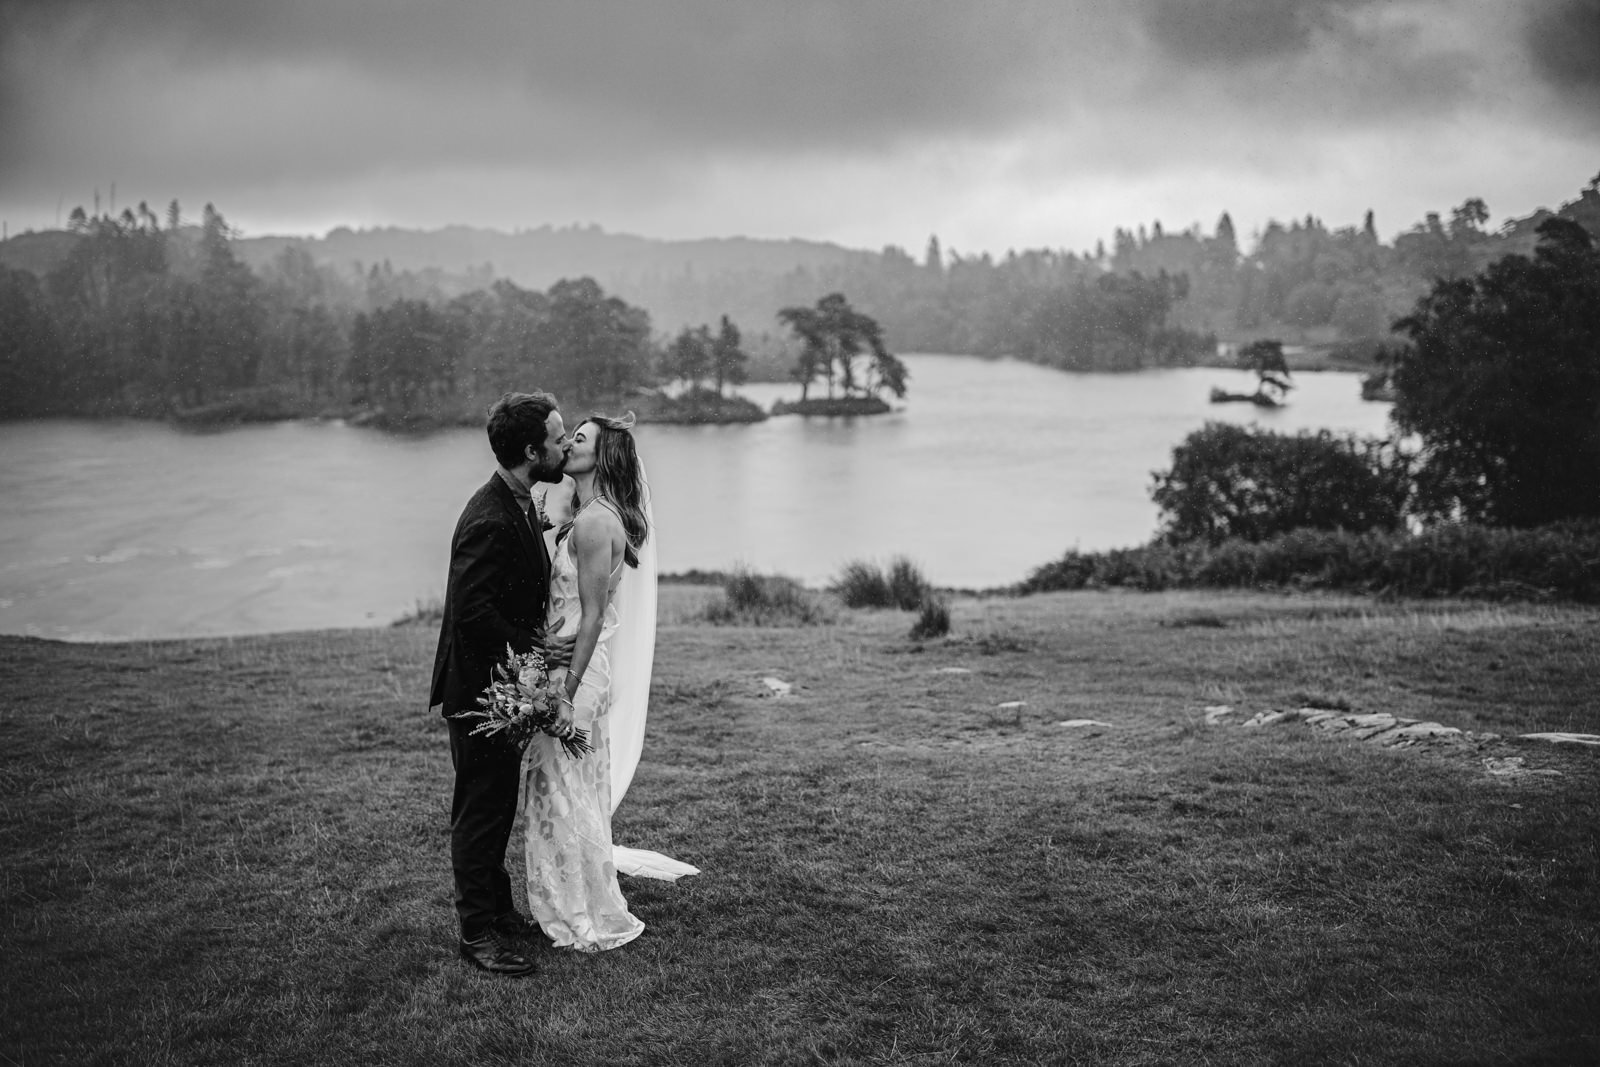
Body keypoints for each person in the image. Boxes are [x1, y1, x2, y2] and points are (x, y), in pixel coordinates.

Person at [523, 413, 698, 952]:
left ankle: (580, 912)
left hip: (577, 671)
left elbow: (594, 617)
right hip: (566, 663)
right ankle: (566, 900)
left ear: (603, 458)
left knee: (561, 790)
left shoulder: (598, 522)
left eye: (580, 440)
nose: (568, 445)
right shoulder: (586, 517)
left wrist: (565, 691)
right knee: (565, 788)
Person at [430, 391, 574, 977]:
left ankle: (497, 910)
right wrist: (536, 646)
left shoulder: (517, 501)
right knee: (481, 813)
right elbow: (472, 614)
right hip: (480, 694)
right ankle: (476, 935)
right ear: (531, 449)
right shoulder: (490, 516)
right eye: (559, 438)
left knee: (495, 804)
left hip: (501, 689)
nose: (565, 445)